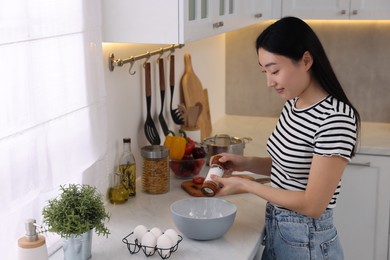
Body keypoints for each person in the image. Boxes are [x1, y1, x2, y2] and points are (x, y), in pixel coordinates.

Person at [211, 17, 360, 260]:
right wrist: (245, 163)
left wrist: (246, 184)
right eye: (265, 72)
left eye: (275, 70)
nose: (269, 82)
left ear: (306, 60)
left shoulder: (335, 118)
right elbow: (290, 167)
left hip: (307, 243)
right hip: (281, 233)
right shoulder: (293, 104)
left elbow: (313, 204)